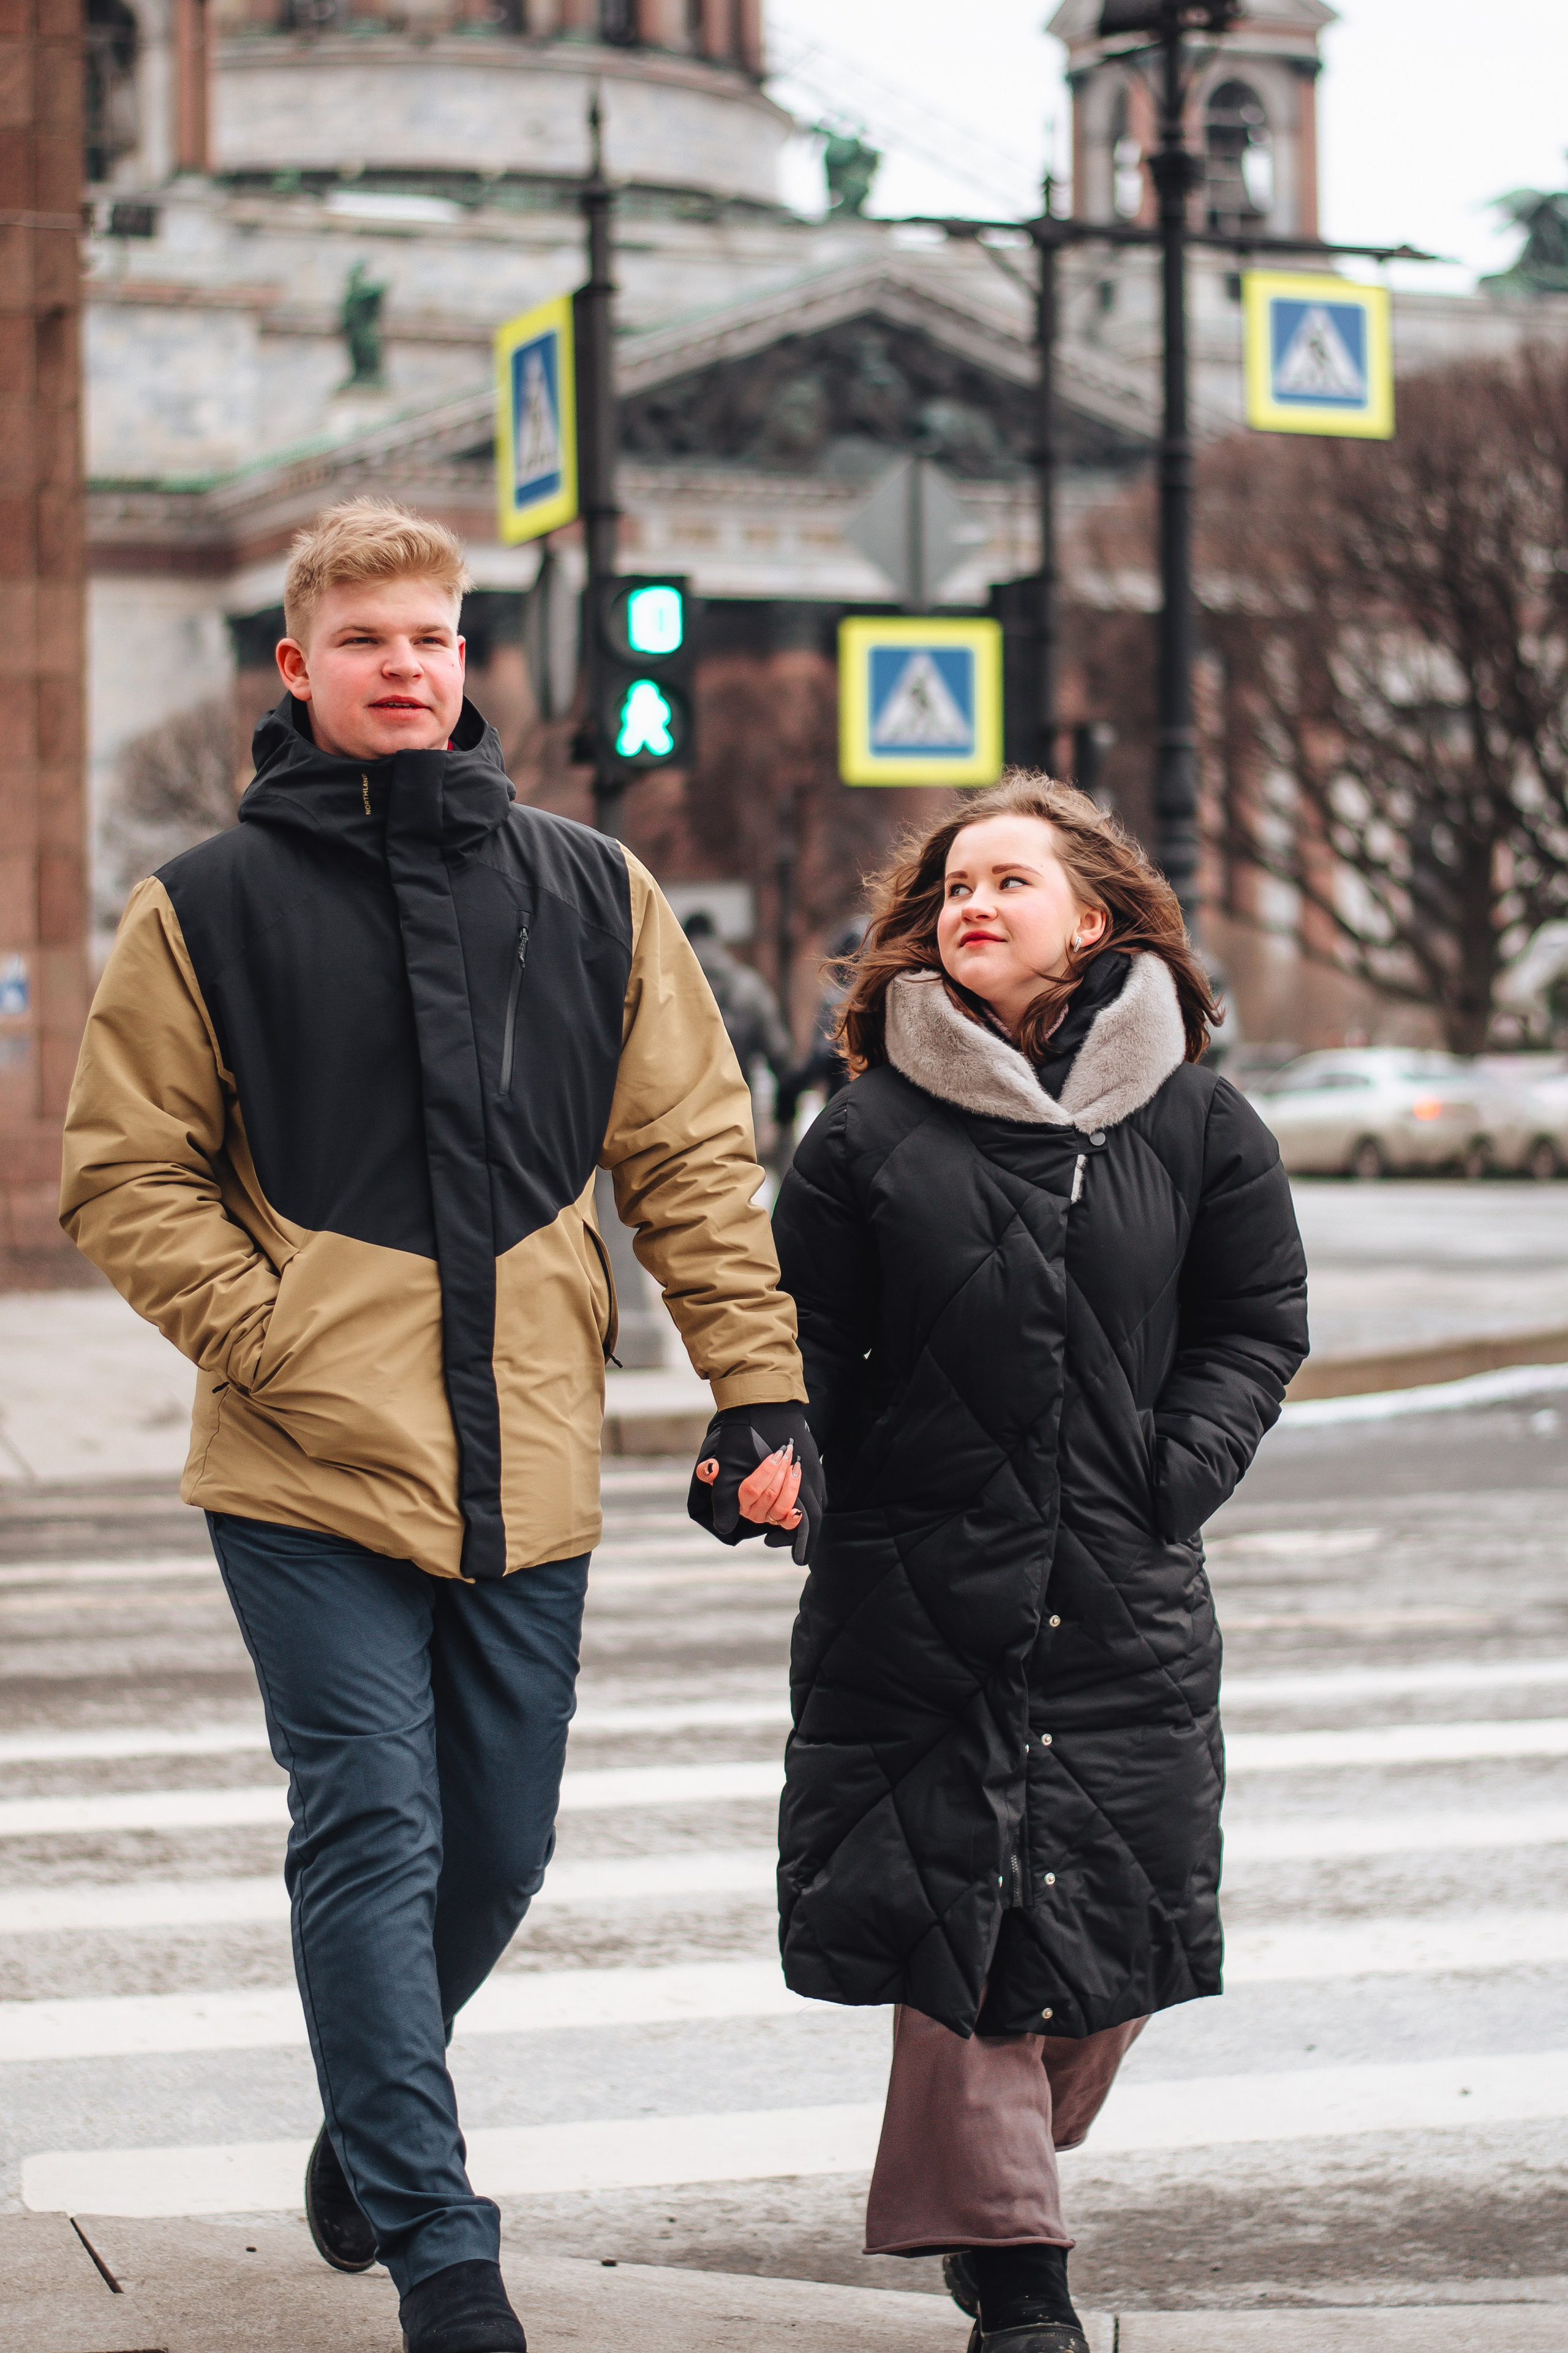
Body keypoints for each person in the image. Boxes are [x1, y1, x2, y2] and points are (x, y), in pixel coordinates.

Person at [59, 497, 820, 2353]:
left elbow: (694, 1165)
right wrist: (275, 1336)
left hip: (537, 1459)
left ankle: (363, 2119)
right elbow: (124, 1173)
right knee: (375, 1826)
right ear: (296, 666)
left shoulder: (591, 891)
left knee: (498, 1849)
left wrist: (759, 1381)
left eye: (435, 637)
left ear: (467, 662)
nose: (407, 664)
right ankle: (437, 2241)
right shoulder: (203, 910)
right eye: (369, 639)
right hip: (304, 1468)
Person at [765, 774, 1308, 2353]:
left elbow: (1255, 1322)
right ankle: (1018, 2269)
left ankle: (999, 2169)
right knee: (966, 1910)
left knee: (1107, 1927)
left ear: (1097, 919)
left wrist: (1179, 1468)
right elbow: (792, 1336)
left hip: (1124, 1581)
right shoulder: (865, 1128)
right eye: (950, 892)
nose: (973, 907)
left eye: (1010, 881)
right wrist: (786, 1454)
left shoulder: (1199, 1118)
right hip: (918, 1583)